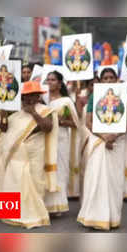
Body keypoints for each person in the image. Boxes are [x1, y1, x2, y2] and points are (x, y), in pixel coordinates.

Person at [0, 81, 58, 228]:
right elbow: (4, 127)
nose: (29, 99)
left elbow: (47, 127)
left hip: (34, 152)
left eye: (32, 95)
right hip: (15, 154)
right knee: (11, 179)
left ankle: (34, 215)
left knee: (34, 183)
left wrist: (33, 112)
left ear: (39, 96)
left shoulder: (46, 110)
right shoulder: (16, 112)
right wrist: (3, 111)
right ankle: (9, 214)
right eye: (26, 96)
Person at [78, 68, 127, 230]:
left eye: (112, 78)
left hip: (117, 143)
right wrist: (104, 137)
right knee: (94, 178)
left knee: (114, 181)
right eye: (106, 78)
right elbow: (88, 121)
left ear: (117, 79)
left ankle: (111, 217)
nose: (109, 81)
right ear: (101, 80)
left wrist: (114, 135)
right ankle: (92, 216)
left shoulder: (125, 98)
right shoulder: (94, 97)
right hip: (98, 141)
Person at [43, 71, 79, 214]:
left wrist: (60, 121)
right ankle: (46, 204)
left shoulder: (66, 101)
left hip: (61, 139)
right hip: (45, 138)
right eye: (48, 79)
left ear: (59, 83)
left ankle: (58, 205)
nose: (50, 82)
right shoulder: (42, 98)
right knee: (45, 169)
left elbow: (75, 123)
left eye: (53, 80)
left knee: (59, 171)